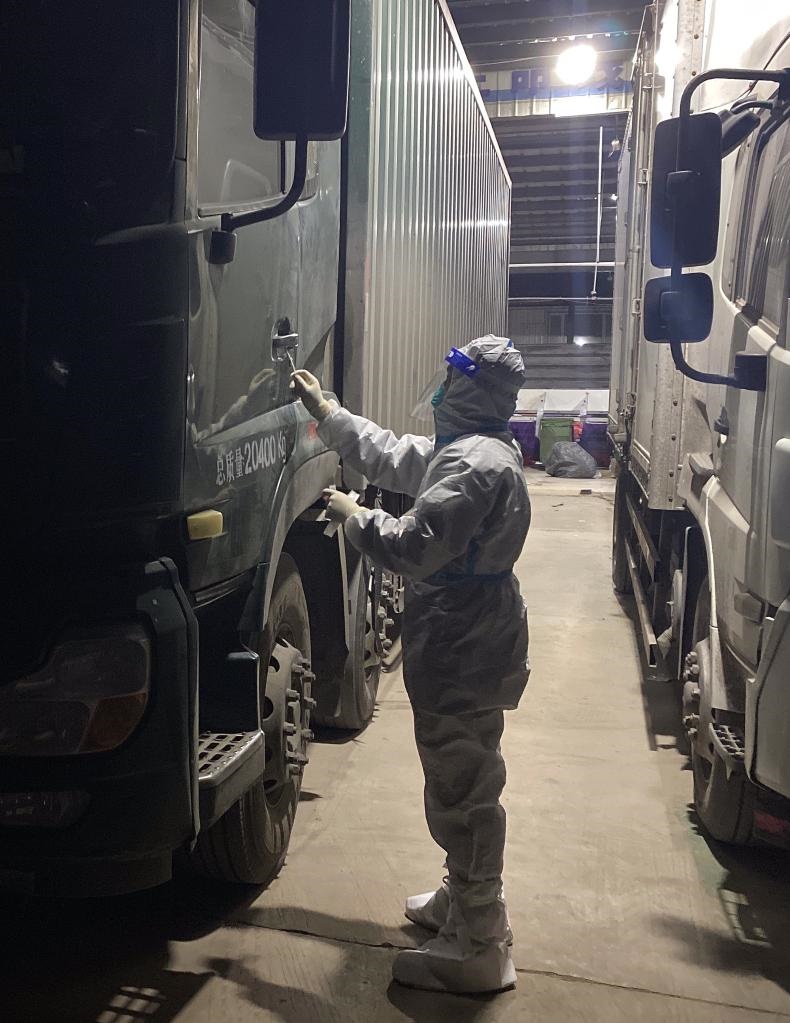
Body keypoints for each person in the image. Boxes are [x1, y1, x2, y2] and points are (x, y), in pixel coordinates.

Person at [290, 335, 531, 994]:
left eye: (454, 379)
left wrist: (357, 517)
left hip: (464, 643)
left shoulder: (474, 467)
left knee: (463, 785)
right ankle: (467, 896)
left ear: (474, 389)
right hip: (468, 637)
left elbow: (414, 546)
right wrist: (329, 413)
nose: (442, 390)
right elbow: (396, 455)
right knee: (462, 774)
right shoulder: (474, 450)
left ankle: (479, 944)